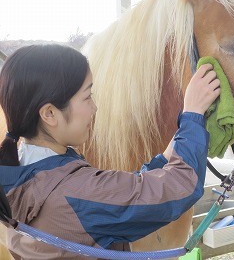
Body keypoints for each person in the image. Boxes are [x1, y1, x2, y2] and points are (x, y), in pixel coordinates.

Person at [0, 44, 220, 259]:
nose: (94, 107)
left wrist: (174, 146)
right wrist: (193, 113)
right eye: (87, 97)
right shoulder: (73, 192)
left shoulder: (20, 176)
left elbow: (122, 193)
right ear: (49, 113)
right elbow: (181, 186)